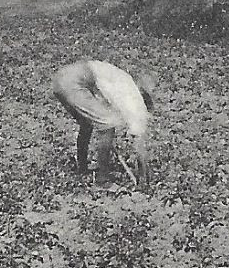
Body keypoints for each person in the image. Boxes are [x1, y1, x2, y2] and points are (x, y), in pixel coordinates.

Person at [52, 60, 157, 188]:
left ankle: (82, 168)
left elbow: (100, 98)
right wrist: (143, 173)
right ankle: (103, 180)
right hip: (74, 83)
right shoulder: (134, 100)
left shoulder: (124, 81)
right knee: (107, 125)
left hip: (61, 78)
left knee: (88, 122)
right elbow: (139, 140)